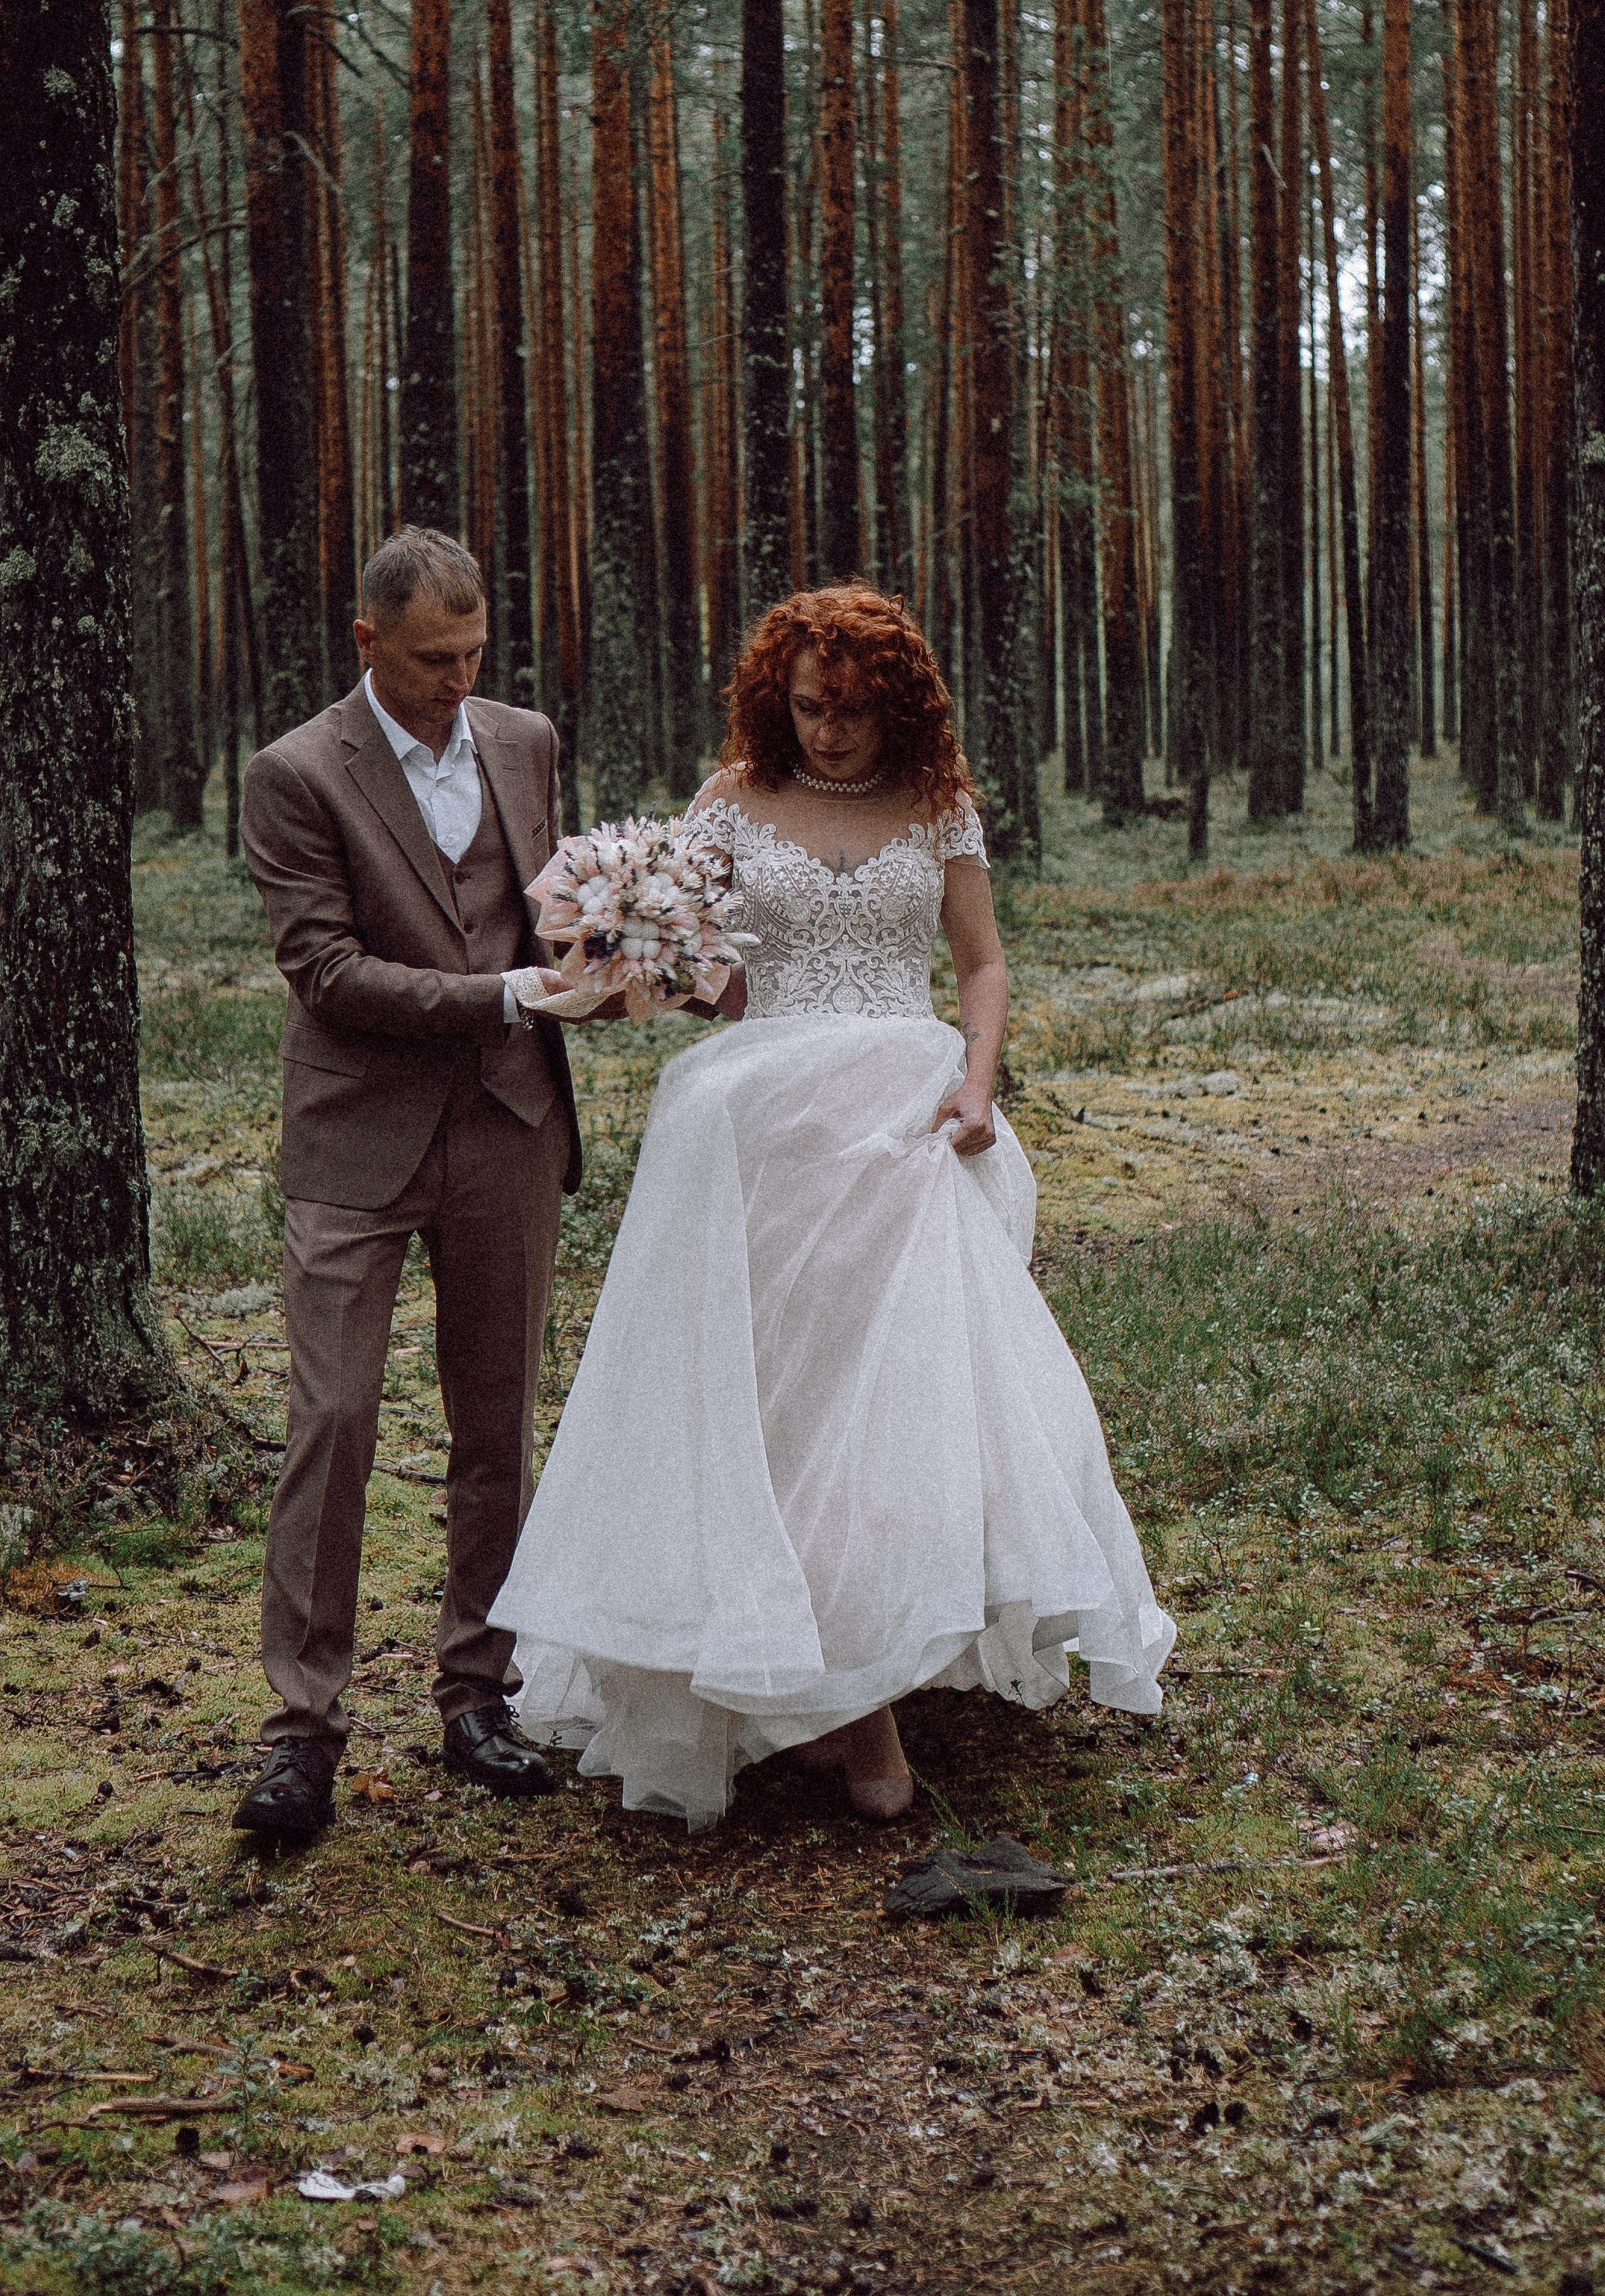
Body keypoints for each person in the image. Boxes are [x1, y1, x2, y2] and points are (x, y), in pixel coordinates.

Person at [495, 584, 1174, 1830]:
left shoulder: (939, 804)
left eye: (854, 711)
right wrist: (620, 961)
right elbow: (701, 983)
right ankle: (834, 1711)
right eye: (810, 707)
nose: (831, 734)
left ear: (895, 704)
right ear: (779, 697)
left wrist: (977, 1082)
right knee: (778, 1404)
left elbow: (980, 962)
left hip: (908, 1119)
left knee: (899, 1403)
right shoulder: (731, 800)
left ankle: (873, 1666)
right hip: (759, 1127)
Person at [230, 528, 593, 1839]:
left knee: (495, 1422)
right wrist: (504, 993)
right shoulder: (292, 775)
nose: (459, 681)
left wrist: (635, 950)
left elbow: (552, 908)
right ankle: (300, 1731)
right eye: (433, 660)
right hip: (356, 1140)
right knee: (332, 1424)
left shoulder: (526, 741)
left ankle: (477, 1691)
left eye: (474, 654)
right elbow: (323, 971)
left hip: (507, 1126)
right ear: (367, 639)